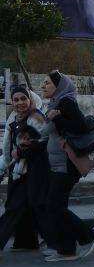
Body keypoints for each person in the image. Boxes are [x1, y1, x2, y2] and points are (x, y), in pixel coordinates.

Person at [39, 72, 94, 261]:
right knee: (58, 205)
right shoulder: (56, 103)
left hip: (66, 164)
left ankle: (87, 234)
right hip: (57, 164)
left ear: (59, 86)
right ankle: (66, 249)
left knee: (53, 205)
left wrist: (56, 119)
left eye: (47, 83)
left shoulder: (65, 102)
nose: (43, 86)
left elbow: (80, 126)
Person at [0, 86, 49, 254]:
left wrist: (20, 152)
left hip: (31, 171)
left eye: (23, 98)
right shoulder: (17, 119)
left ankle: (77, 237)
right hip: (19, 169)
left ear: (31, 99)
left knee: (14, 207)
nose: (20, 102)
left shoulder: (36, 117)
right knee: (27, 208)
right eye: (16, 99)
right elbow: (8, 147)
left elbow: (42, 143)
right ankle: (27, 242)